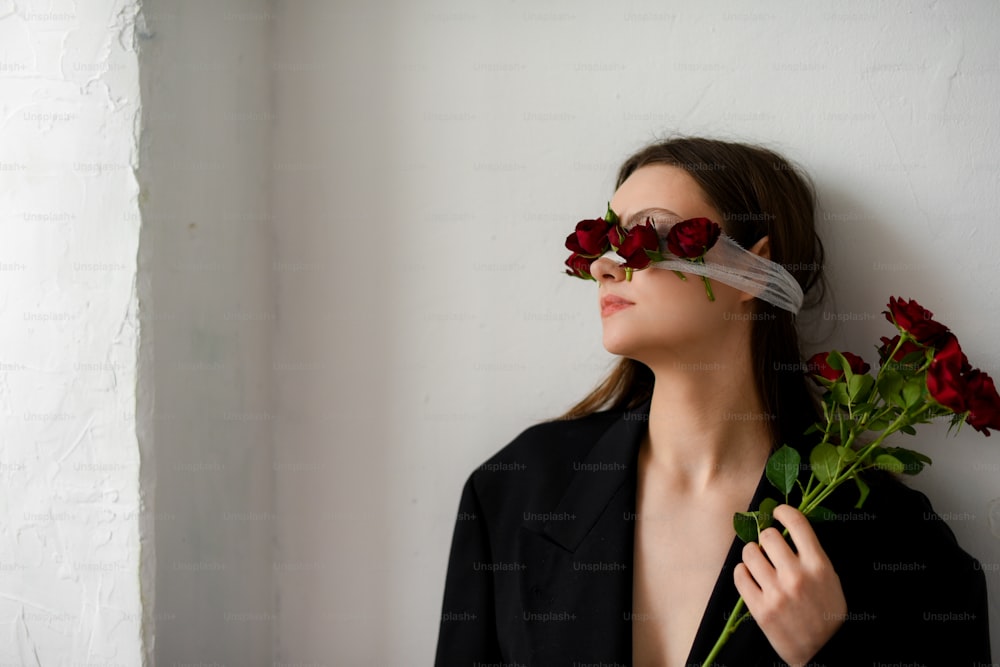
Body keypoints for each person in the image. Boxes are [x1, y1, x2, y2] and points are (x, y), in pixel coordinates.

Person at [434, 136, 992, 666]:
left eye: (644, 233)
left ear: (751, 268)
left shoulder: (896, 540)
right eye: (604, 240)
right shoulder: (515, 487)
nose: (605, 265)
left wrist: (832, 653)